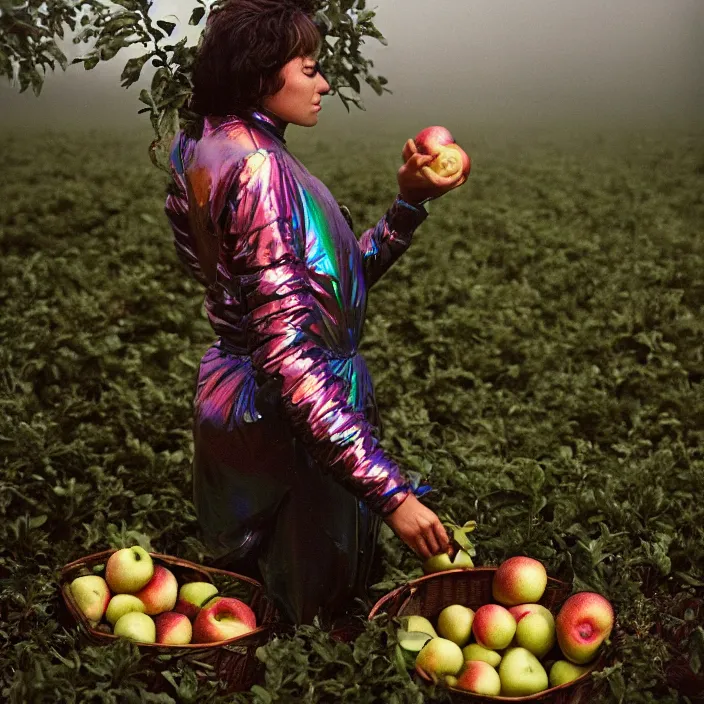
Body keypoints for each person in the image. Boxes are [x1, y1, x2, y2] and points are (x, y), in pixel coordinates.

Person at [164, 0, 466, 628]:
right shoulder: (260, 170)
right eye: (309, 68)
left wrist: (407, 206)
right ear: (260, 73)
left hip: (243, 402)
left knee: (245, 610)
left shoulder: (202, 145)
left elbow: (323, 290)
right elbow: (290, 355)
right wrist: (393, 494)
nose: (324, 82)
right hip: (292, 429)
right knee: (307, 630)